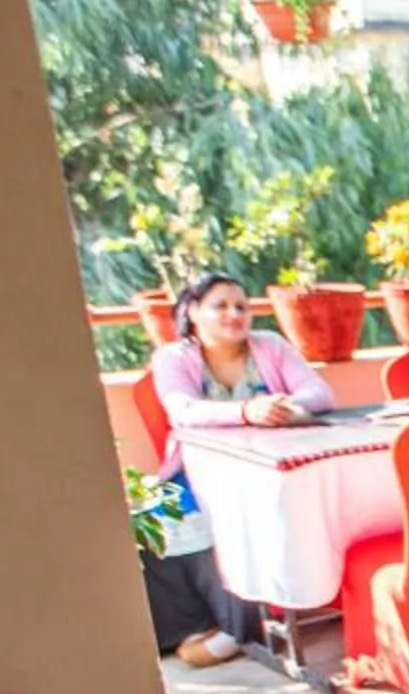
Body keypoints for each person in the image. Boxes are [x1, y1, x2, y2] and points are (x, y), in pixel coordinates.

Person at [142, 273, 335, 667]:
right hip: (198, 469)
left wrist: (287, 405)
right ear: (193, 312)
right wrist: (246, 412)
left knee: (276, 507)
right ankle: (199, 626)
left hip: (272, 467)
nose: (234, 314)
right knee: (170, 516)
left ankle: (239, 629)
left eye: (241, 306)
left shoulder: (270, 346)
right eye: (220, 306)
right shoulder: (173, 358)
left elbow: (320, 393)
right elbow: (183, 410)